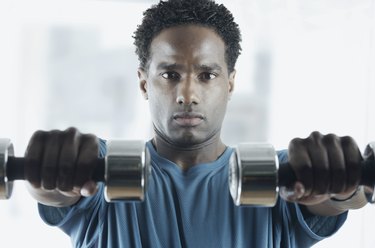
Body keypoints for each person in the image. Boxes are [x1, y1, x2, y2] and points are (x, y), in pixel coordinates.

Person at [24, 0, 368, 247]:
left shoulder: (284, 176)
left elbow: (331, 200)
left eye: (206, 75)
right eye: (170, 74)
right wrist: (49, 168)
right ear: (144, 83)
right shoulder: (100, 169)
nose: (186, 94)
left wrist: (342, 181)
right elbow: (56, 193)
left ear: (229, 83)